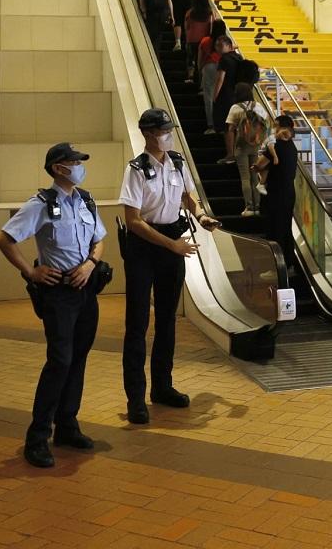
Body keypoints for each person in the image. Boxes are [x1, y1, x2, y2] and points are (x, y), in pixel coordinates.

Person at [0, 143, 107, 469]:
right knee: (60, 361)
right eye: (74, 161)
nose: (79, 167)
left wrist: (90, 264)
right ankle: (37, 437)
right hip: (58, 294)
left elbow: (99, 239)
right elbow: (4, 238)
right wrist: (30, 272)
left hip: (85, 289)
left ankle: (67, 426)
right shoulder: (41, 204)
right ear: (58, 168)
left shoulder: (85, 200)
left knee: (78, 359)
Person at [119, 109, 220, 425]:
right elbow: (133, 221)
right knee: (137, 323)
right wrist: (171, 245)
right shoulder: (136, 169)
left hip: (171, 243)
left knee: (167, 320)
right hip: (143, 247)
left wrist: (201, 215)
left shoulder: (177, 162)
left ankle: (162, 387)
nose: (168, 135)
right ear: (149, 134)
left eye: (168, 130)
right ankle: (136, 398)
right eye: (163, 131)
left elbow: (188, 196)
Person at [257, 115, 297, 269]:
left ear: (283, 128)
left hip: (276, 193)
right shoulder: (292, 147)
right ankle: (288, 263)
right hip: (289, 192)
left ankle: (276, 267)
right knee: (285, 228)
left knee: (274, 230)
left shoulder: (276, 145)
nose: (274, 129)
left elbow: (260, 164)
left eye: (276, 126)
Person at [225, 82, 269, 217]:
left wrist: (230, 152)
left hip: (241, 146)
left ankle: (249, 207)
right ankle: (258, 207)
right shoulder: (258, 106)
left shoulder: (235, 108)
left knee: (245, 177)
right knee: (255, 177)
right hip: (255, 145)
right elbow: (265, 124)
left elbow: (230, 130)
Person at [212, 34, 242, 149]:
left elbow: (220, 79)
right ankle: (237, 152)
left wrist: (215, 96)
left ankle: (230, 153)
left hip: (226, 96)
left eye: (220, 46)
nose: (217, 48)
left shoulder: (224, 59)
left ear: (229, 46)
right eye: (216, 46)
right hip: (238, 95)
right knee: (237, 125)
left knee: (228, 126)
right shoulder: (238, 57)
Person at [198, 19, 228, 134]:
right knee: (222, 96)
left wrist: (200, 70)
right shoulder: (226, 43)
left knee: (209, 96)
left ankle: (211, 125)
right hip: (223, 68)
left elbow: (200, 58)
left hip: (209, 67)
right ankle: (222, 125)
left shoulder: (205, 41)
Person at [183, 0, 214, 83]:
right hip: (204, 40)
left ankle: (190, 76)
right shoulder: (210, 13)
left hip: (191, 39)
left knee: (191, 58)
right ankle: (200, 79)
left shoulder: (190, 12)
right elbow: (212, 26)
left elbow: (187, 26)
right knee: (202, 60)